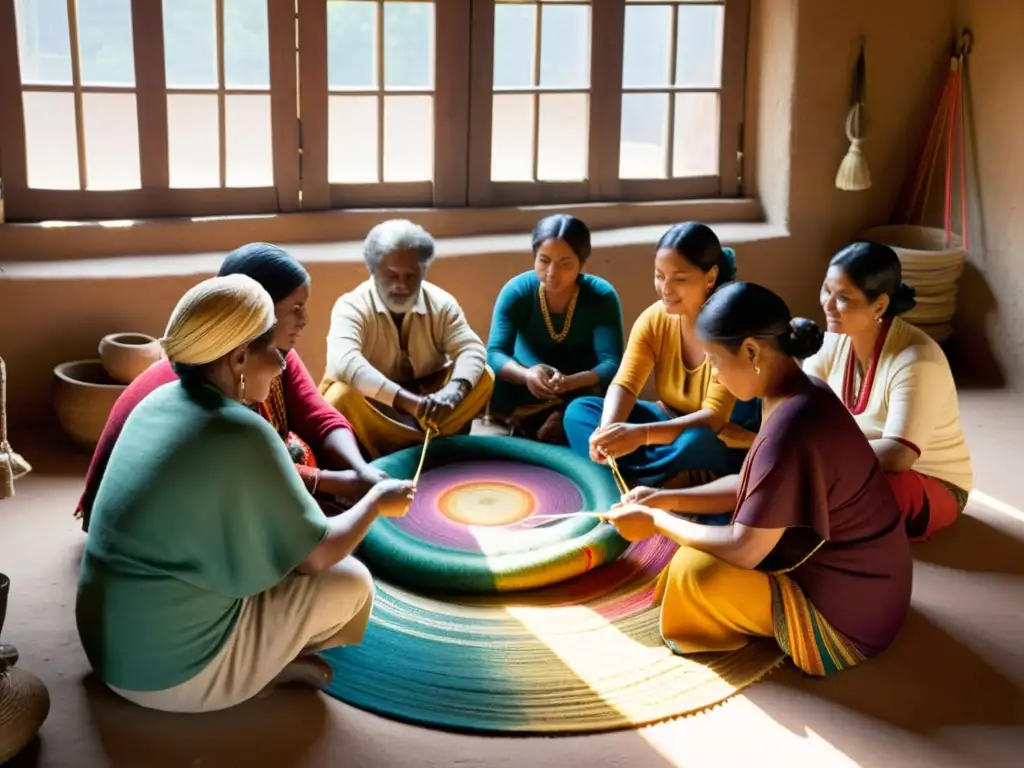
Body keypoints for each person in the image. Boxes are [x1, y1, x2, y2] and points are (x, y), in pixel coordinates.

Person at [76, 275, 416, 713]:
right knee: (351, 582)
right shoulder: (241, 432)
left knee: (275, 550)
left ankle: (256, 657)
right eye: (273, 350)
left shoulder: (156, 402)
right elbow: (316, 555)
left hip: (107, 649)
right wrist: (375, 504)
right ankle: (256, 671)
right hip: (167, 676)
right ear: (239, 357)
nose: (280, 363)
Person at [606, 282, 912, 676]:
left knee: (694, 574)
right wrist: (664, 499)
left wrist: (657, 523)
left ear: (751, 351)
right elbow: (754, 486)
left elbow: (744, 549)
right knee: (695, 549)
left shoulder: (791, 425)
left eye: (715, 361)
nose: (714, 373)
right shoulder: (798, 392)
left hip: (852, 617)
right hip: (880, 588)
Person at [74, 243, 387, 531]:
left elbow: (318, 417)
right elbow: (250, 466)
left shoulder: (257, 355)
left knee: (306, 456)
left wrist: (359, 472)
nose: (305, 319)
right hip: (144, 524)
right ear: (255, 309)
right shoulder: (201, 385)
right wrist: (338, 485)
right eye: (295, 308)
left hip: (196, 487)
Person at [563, 222, 760, 491]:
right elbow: (625, 385)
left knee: (697, 442)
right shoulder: (654, 318)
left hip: (720, 436)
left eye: (679, 279)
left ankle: (630, 479)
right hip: (667, 419)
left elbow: (713, 418)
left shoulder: (730, 328)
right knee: (579, 411)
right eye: (659, 276)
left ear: (710, 277)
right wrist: (609, 431)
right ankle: (658, 479)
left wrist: (640, 435)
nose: (665, 289)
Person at [804, 242, 973, 541]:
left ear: (880, 305)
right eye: (826, 290)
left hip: (927, 484)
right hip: (856, 464)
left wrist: (820, 457)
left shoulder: (918, 359)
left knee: (850, 490)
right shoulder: (831, 343)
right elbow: (800, 411)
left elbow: (897, 455)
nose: (828, 305)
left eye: (843, 297)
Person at [319, 219, 494, 458]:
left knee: (483, 376)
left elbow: (471, 349)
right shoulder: (350, 307)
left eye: (411, 276)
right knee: (339, 395)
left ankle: (409, 447)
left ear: (423, 271)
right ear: (373, 269)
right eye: (391, 275)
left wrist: (452, 391)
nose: (401, 285)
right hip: (378, 409)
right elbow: (344, 362)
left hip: (430, 407)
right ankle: (430, 447)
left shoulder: (441, 303)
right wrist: (409, 403)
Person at [486, 214, 625, 443]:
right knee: (487, 380)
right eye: (544, 260)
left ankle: (555, 423)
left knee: (584, 409)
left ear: (582, 265)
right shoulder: (517, 291)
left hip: (579, 389)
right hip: (526, 387)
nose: (552, 272)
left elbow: (611, 364)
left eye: (565, 264)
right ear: (534, 258)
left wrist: (570, 382)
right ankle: (531, 423)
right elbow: (494, 354)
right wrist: (527, 374)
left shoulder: (600, 296)